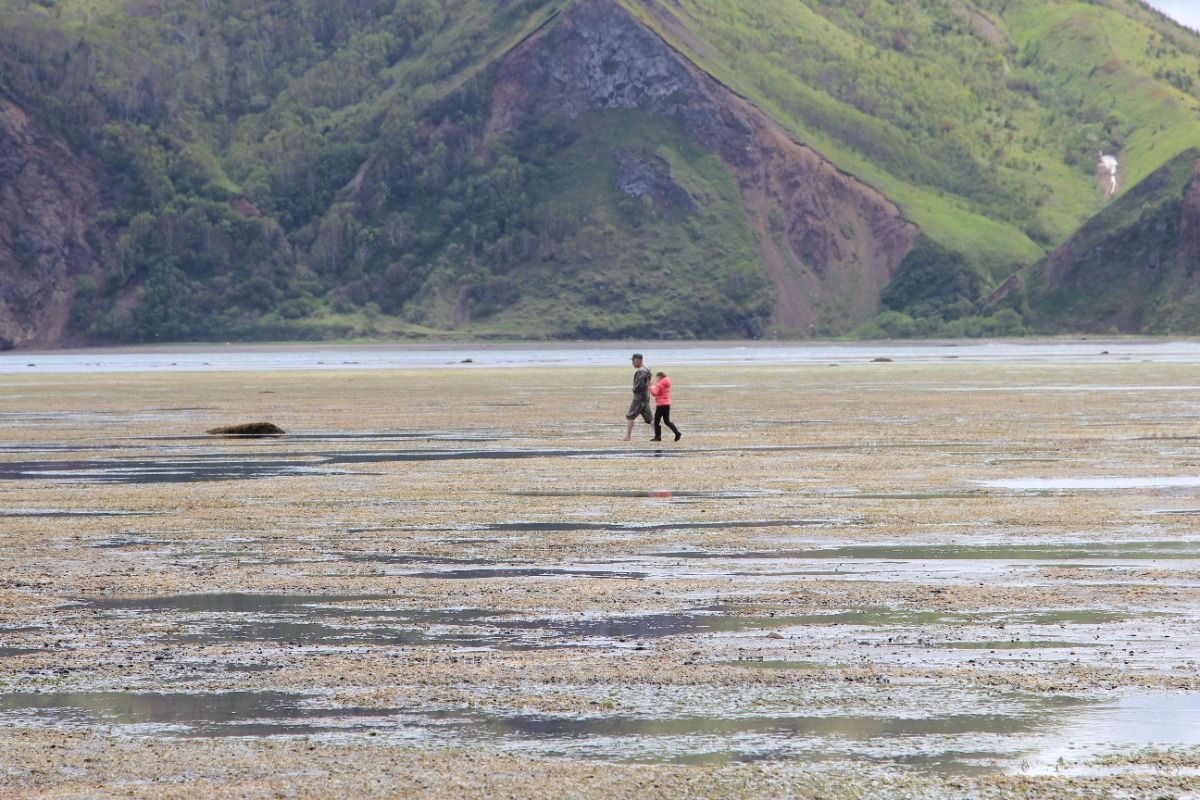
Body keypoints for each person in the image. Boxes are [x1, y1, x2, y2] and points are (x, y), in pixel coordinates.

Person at [622, 353, 653, 441]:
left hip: (639, 398)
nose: (632, 363)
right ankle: (658, 434)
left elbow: (639, 386)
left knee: (630, 415)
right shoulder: (647, 369)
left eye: (633, 361)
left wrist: (634, 390)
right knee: (650, 418)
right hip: (646, 396)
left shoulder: (641, 371)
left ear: (638, 360)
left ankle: (627, 436)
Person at [649, 370, 681, 442]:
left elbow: (655, 393)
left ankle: (658, 437)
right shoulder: (666, 382)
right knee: (667, 421)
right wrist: (653, 386)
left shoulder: (660, 384)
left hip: (661, 405)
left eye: (657, 378)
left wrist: (650, 387)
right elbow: (660, 390)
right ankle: (677, 433)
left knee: (656, 422)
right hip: (667, 404)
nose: (656, 379)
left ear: (660, 377)